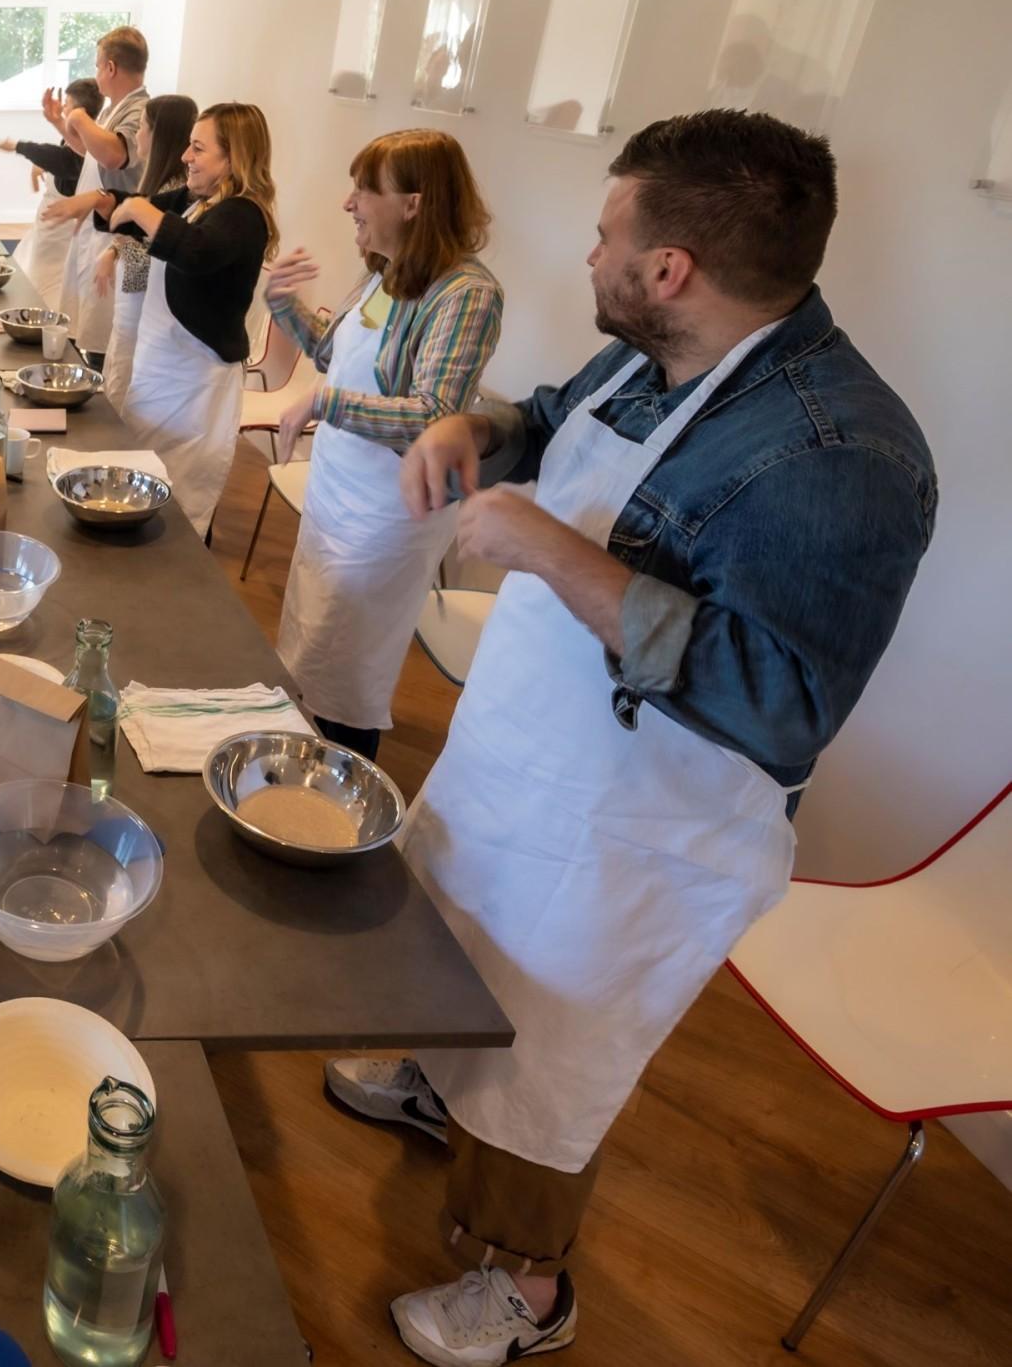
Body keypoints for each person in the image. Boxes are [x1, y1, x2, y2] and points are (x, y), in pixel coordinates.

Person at [329, 111, 934, 1367]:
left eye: (609, 234)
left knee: (554, 1043)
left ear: (671, 269)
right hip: (530, 745)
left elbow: (778, 700)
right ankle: (439, 1086)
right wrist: (477, 430)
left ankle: (527, 1288)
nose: (589, 252)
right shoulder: (647, 357)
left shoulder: (840, 453)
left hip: (635, 822)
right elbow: (548, 415)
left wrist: (554, 553)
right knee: (457, 936)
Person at [266, 130, 505, 758]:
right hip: (338, 490)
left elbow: (435, 415)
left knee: (348, 673)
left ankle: (338, 791)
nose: (350, 203)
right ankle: (301, 771)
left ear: (415, 204)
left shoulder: (467, 295)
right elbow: (332, 352)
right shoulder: (384, 273)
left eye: (366, 189)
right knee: (310, 647)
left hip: (388, 512)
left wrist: (325, 403)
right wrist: (282, 304)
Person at [104, 101, 275, 535]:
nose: (185, 157)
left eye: (198, 149)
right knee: (141, 493)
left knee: (178, 510)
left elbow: (197, 252)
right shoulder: (198, 201)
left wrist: (139, 212)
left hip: (196, 388)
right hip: (160, 375)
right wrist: (106, 203)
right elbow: (132, 210)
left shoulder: (243, 214)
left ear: (233, 158)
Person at [68, 93, 200, 403]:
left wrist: (116, 249)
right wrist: (113, 249)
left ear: (159, 135)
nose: (136, 135)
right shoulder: (156, 180)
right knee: (116, 378)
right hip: (132, 308)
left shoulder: (175, 189)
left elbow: (151, 256)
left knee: (123, 390)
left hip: (144, 311)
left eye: (141, 127)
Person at [41, 27, 152, 363]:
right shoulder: (112, 109)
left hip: (116, 233)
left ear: (111, 68)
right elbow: (90, 152)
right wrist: (61, 125)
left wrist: (77, 115)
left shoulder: (140, 110)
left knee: (108, 334)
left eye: (96, 65)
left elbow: (116, 155)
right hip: (93, 227)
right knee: (85, 320)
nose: (96, 73)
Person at [0, 76, 102, 313]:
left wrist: (17, 146)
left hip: (57, 242)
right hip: (45, 234)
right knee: (27, 285)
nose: (63, 109)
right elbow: (62, 156)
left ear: (79, 112)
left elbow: (64, 160)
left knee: (44, 294)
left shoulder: (89, 144)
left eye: (67, 105)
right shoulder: (76, 139)